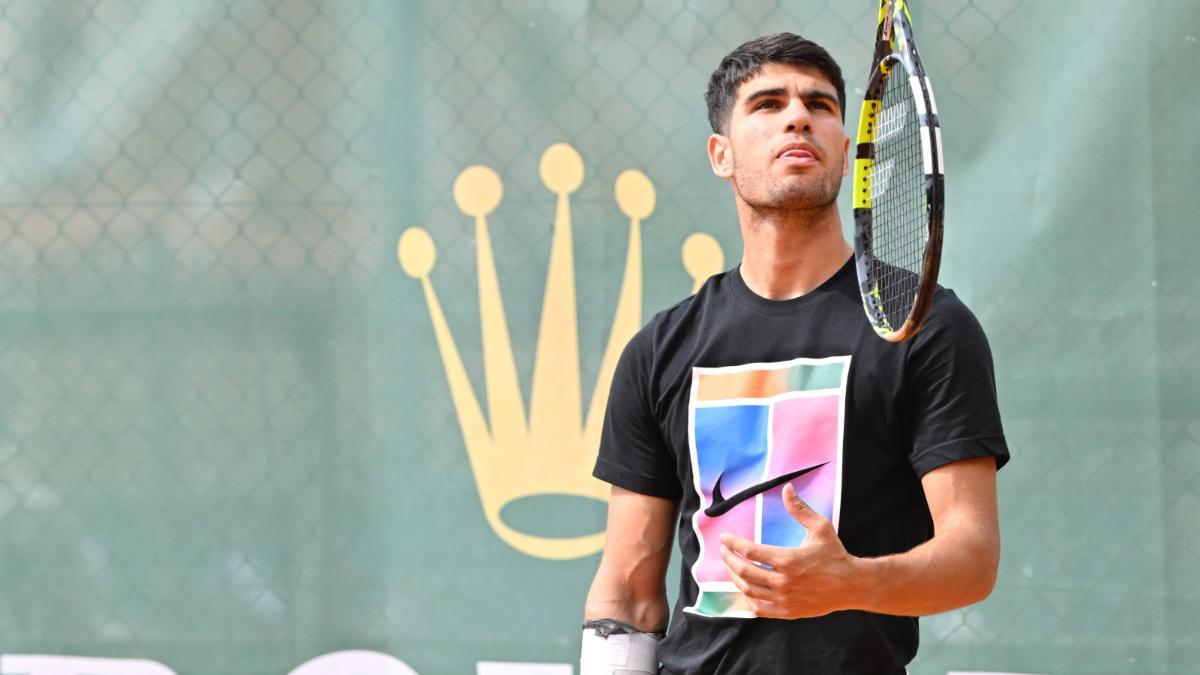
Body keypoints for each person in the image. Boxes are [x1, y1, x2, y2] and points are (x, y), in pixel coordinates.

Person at [579, 32, 1009, 675]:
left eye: (821, 104)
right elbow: (629, 590)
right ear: (721, 154)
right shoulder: (659, 351)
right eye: (767, 104)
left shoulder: (924, 325)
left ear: (845, 149)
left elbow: (971, 559)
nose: (798, 115)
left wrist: (851, 582)